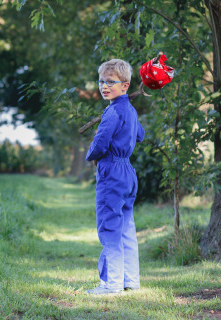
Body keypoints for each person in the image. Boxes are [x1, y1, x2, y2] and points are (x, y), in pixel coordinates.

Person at [85, 59, 145, 295]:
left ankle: (111, 284)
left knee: (109, 227)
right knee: (127, 227)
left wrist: (90, 154)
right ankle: (131, 280)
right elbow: (140, 135)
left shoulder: (112, 111)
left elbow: (100, 144)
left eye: (111, 81)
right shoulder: (129, 110)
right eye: (101, 81)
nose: (104, 86)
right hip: (128, 174)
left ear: (125, 85)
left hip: (112, 171)